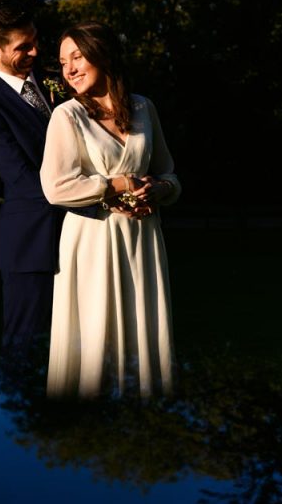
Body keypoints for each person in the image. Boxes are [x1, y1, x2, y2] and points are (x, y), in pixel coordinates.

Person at [39, 21, 180, 400]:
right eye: (63, 61)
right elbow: (56, 187)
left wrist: (159, 188)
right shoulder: (67, 116)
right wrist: (115, 184)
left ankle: (146, 406)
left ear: (104, 56)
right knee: (95, 326)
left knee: (143, 325)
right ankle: (90, 412)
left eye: (78, 57)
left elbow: (169, 172)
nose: (69, 69)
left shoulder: (143, 107)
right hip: (92, 239)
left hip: (143, 237)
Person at [0, 0, 98, 358]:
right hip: (31, 243)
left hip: (86, 234)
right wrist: (101, 194)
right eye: (24, 47)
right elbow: (22, 179)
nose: (37, 52)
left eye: (37, 40)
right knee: (26, 347)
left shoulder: (57, 83)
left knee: (83, 345)